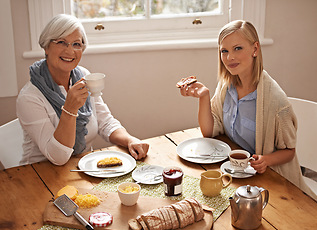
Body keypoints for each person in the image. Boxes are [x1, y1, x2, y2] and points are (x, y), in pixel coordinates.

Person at [179, 20, 316, 199]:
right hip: (235, 173)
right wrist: (204, 97)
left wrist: (266, 160)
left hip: (270, 182)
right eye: (224, 51)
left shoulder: (276, 102)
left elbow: (289, 152)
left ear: (255, 49)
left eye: (238, 48)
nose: (229, 58)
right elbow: (209, 132)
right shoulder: (226, 86)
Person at [16, 14, 149, 165]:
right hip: (37, 176)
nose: (70, 51)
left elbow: (105, 122)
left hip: (79, 167)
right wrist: (69, 109)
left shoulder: (84, 76)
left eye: (76, 44)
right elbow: (57, 157)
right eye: (61, 42)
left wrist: (130, 140)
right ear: (46, 47)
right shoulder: (29, 97)